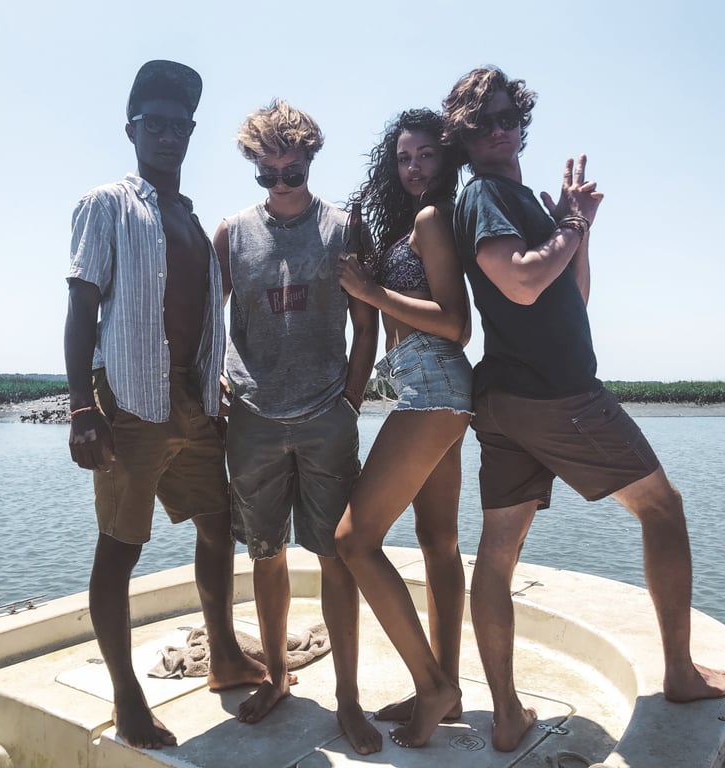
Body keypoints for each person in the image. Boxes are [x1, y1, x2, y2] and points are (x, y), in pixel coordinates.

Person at [441, 66, 725, 752]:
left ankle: (509, 716)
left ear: (522, 117)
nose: (500, 128)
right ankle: (681, 672)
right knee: (662, 507)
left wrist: (581, 228)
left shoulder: (517, 197)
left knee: (498, 550)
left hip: (510, 398)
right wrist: (568, 222)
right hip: (555, 393)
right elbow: (519, 281)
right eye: (483, 121)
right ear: (465, 134)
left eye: (509, 114)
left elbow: (570, 292)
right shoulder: (485, 194)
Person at [63, 60, 266, 750]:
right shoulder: (107, 204)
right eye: (156, 124)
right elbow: (81, 307)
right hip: (129, 406)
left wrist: (214, 393)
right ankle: (127, 699)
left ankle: (226, 654)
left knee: (217, 526)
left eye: (180, 125)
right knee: (119, 549)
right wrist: (80, 409)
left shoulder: (188, 218)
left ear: (190, 132)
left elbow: (206, 317)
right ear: (132, 130)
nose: (169, 135)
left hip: (194, 404)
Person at [212, 98, 382, 756]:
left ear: (310, 160)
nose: (281, 184)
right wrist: (216, 383)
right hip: (251, 420)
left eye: (292, 171)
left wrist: (352, 400)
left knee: (336, 556)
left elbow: (364, 323)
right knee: (264, 553)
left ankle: (346, 697)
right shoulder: (233, 234)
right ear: (255, 168)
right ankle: (279, 676)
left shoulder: (345, 228)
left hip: (326, 418)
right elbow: (207, 322)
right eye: (267, 174)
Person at [334, 109, 472, 748]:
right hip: (429, 388)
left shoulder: (431, 219)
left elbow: (455, 322)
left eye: (425, 156)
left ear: (445, 160)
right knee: (437, 540)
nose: (413, 168)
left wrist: (371, 290)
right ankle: (442, 688)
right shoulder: (412, 223)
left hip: (434, 385)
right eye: (403, 158)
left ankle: (433, 684)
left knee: (354, 541)